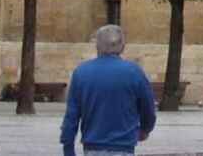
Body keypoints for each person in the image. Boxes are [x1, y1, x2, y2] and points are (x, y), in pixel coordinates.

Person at [60, 24, 156, 156]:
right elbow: (148, 107)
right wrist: (145, 129)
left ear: (97, 46)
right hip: (124, 147)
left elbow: (71, 116)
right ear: (122, 47)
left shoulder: (81, 72)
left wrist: (68, 148)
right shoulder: (134, 72)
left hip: (92, 146)